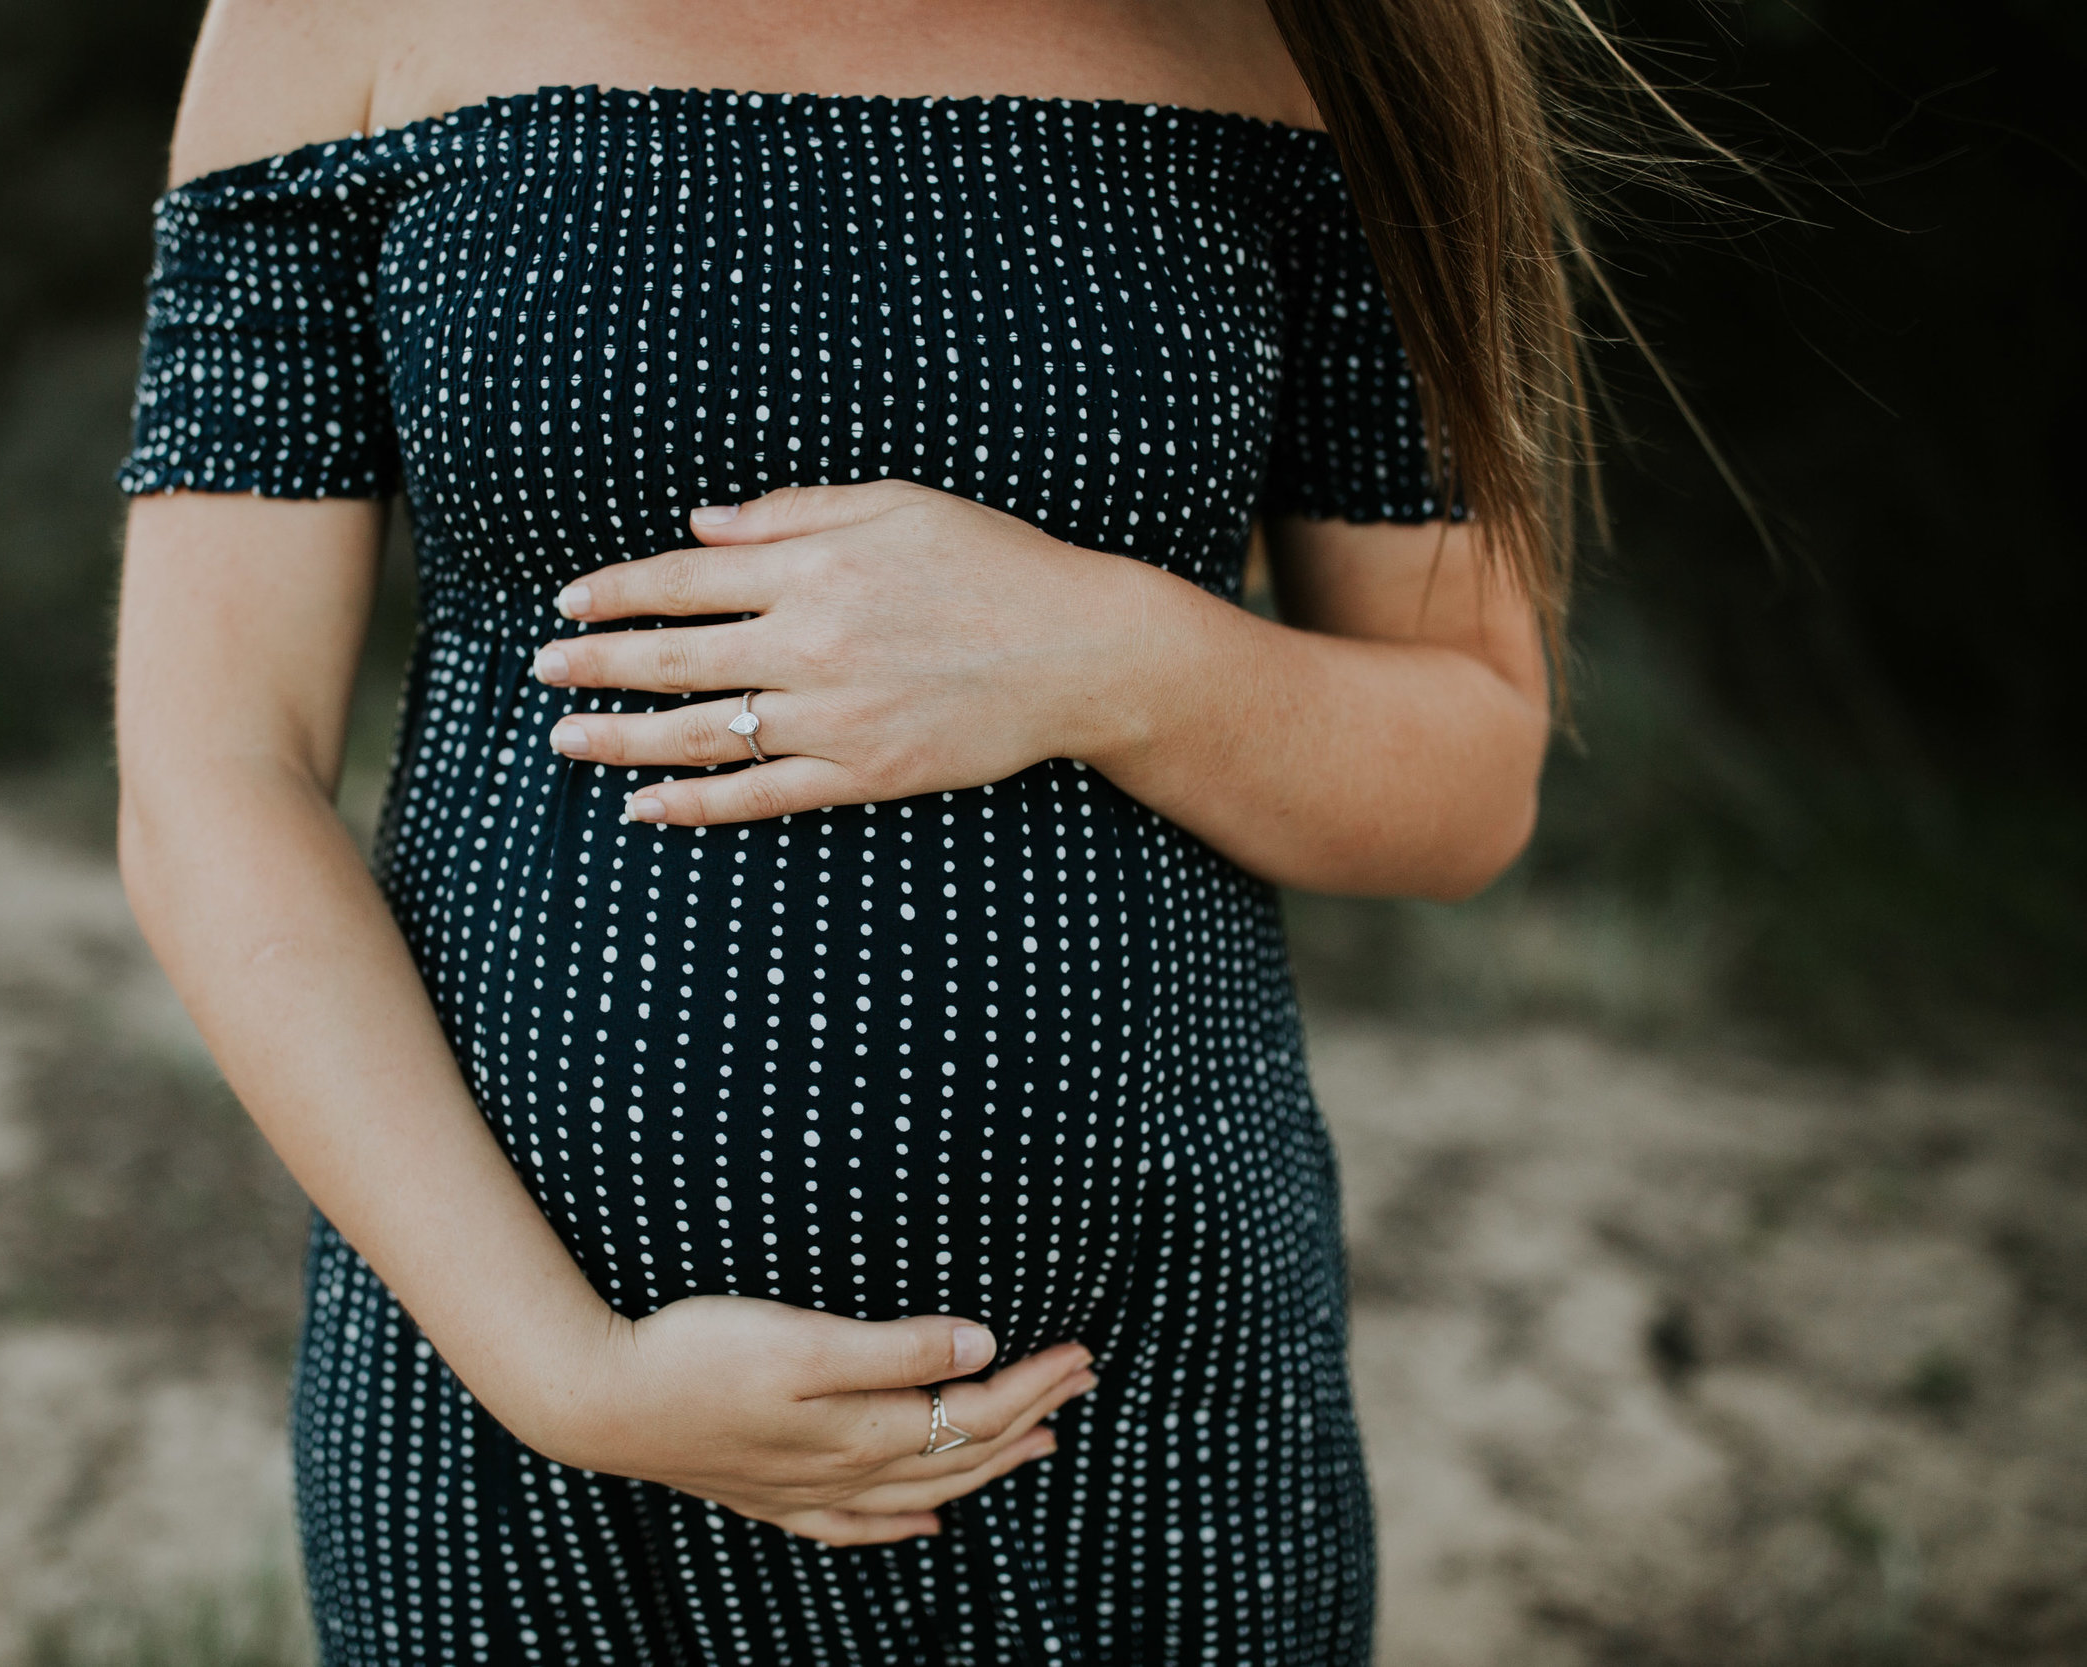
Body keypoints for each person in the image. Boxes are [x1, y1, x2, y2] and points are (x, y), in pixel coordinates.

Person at [113, 1, 1575, 1660]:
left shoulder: (1338, 29)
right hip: (510, 1411)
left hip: (1145, 1421)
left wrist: (1112, 657)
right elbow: (210, 770)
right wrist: (565, 1371)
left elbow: (1473, 773)